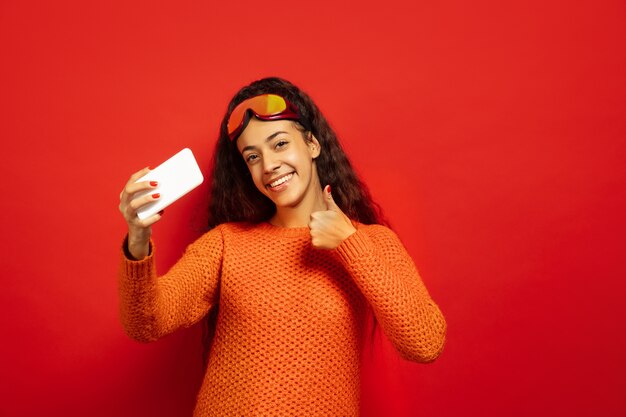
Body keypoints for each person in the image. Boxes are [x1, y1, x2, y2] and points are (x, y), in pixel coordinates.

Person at [118, 77, 446, 416]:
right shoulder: (226, 244)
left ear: (313, 144)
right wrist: (138, 237)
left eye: (279, 144)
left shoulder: (372, 243)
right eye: (252, 156)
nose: (269, 165)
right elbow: (146, 323)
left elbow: (424, 342)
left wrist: (350, 244)